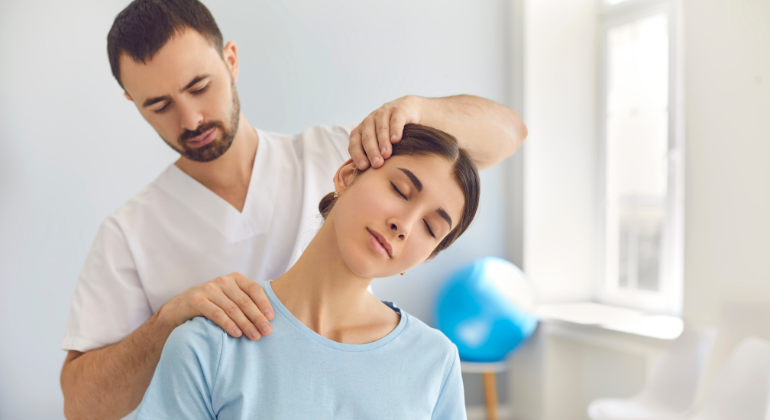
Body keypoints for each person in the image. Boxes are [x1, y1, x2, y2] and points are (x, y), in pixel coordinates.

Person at [59, 1, 528, 418]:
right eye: (159, 105)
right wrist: (167, 322)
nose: (191, 119)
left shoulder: (340, 152)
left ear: (231, 60)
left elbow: (502, 138)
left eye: (199, 86)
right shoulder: (132, 238)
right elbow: (81, 407)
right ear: (132, 103)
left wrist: (415, 109)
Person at [135, 124, 478, 419]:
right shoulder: (212, 343)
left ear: (426, 256)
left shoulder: (435, 361)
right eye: (400, 190)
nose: (403, 224)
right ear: (347, 176)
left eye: (430, 229)